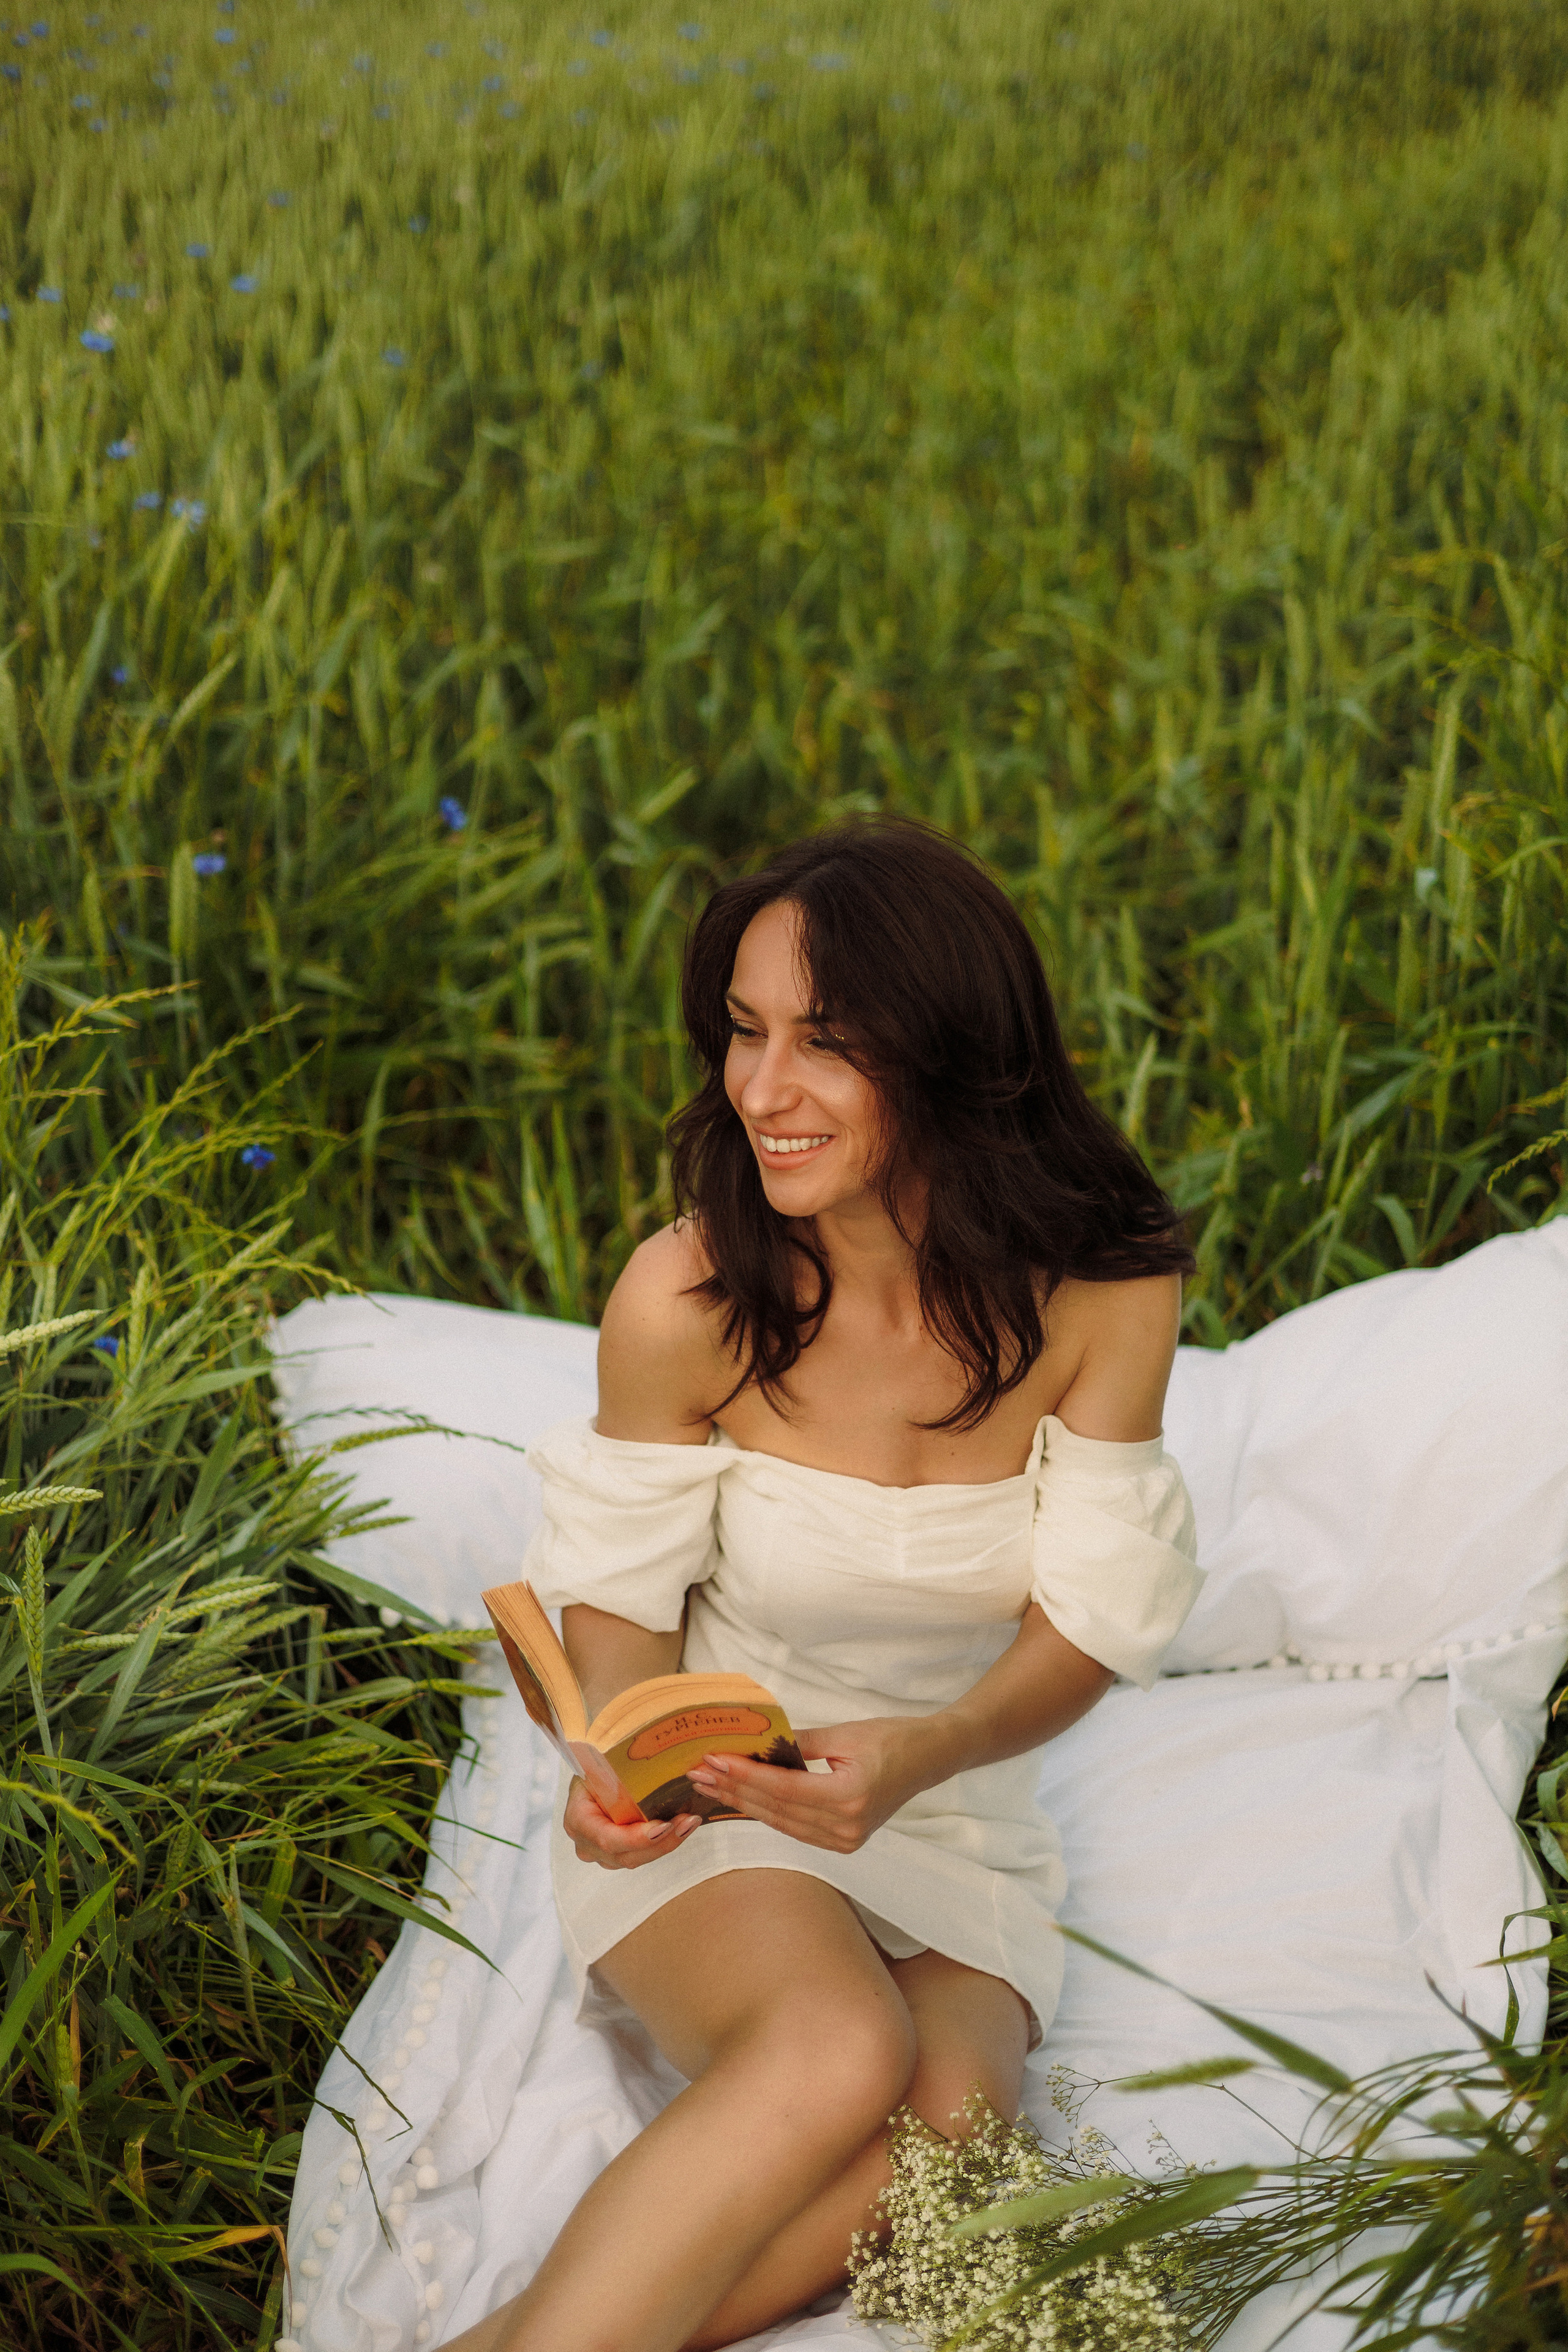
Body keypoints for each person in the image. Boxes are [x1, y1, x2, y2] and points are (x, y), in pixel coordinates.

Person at [444, 819, 1202, 2352]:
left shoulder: (1101, 1290)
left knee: (944, 2151)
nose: (761, 1090)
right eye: (744, 1032)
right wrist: (618, 1765)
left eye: (825, 1044)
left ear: (953, 1058)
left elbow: (1088, 1616)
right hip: (724, 1793)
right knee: (837, 2044)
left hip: (949, 1802)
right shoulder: (688, 1296)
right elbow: (618, 1619)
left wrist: (929, 1752)